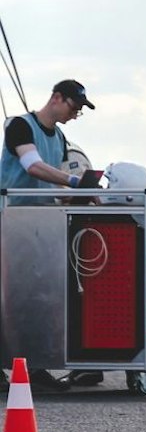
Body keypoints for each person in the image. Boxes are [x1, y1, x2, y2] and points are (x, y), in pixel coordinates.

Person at [1, 80, 100, 391]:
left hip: (41, 225)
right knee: (6, 300)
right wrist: (74, 182)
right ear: (56, 98)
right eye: (74, 107)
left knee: (37, 301)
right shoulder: (20, 126)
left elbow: (50, 182)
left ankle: (36, 366)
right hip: (10, 221)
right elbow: (33, 166)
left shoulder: (59, 137)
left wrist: (71, 195)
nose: (74, 114)